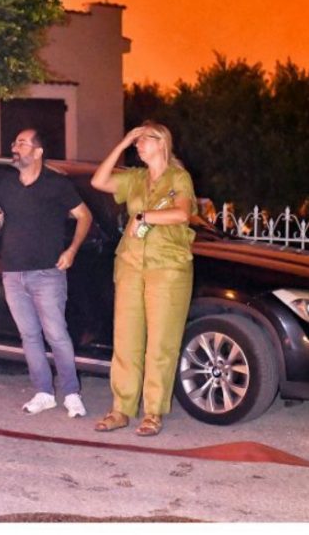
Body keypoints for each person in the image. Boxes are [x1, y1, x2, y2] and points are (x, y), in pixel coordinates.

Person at [90, 121, 196, 437]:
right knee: (126, 340)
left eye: (143, 139)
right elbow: (98, 181)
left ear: (161, 142)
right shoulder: (135, 178)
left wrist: (144, 216)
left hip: (168, 267)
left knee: (161, 343)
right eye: (136, 141)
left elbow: (182, 214)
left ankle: (153, 412)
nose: (138, 145)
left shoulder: (178, 177)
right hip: (131, 264)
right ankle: (121, 409)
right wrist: (121, 144)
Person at [0, 128, 92, 417]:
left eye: (22, 143)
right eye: (15, 142)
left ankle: (72, 394)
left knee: (56, 335)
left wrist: (71, 251)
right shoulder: (7, 185)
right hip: (13, 273)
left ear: (38, 152)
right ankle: (44, 392)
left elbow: (84, 216)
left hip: (47, 273)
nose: (15, 147)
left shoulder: (56, 184)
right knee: (29, 336)